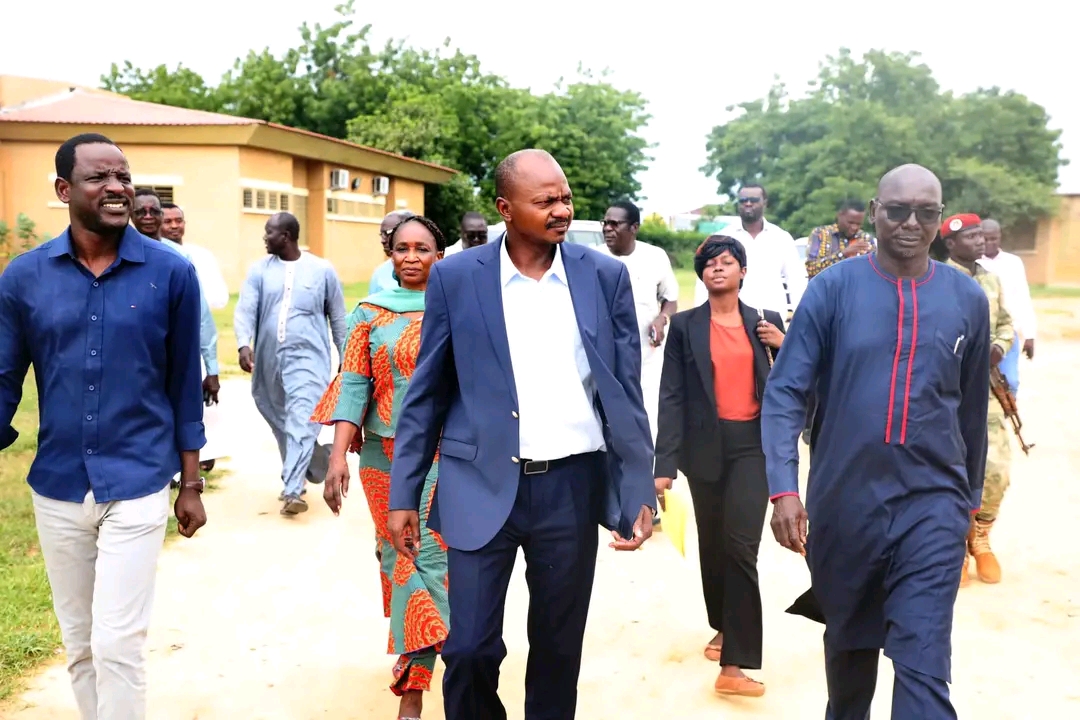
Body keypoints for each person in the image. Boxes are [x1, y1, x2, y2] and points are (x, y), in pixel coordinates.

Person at [387, 149, 656, 720]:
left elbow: (625, 395)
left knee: (559, 648)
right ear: (506, 209)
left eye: (565, 197)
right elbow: (427, 393)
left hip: (571, 489)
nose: (562, 209)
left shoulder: (604, 276)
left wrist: (637, 490)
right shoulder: (458, 278)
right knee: (469, 649)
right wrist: (404, 495)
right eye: (546, 201)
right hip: (478, 486)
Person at [762, 164, 991, 719]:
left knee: (923, 663)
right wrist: (782, 489)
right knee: (850, 662)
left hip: (932, 504)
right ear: (874, 212)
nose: (911, 223)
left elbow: (972, 414)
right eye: (897, 210)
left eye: (926, 212)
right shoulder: (833, 290)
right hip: (846, 505)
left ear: (940, 218)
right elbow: (785, 392)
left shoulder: (966, 299)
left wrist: (970, 504)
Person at [0, 133, 207, 720]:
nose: (117, 186)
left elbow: (182, 385)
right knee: (80, 643)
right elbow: (4, 376)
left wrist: (189, 483)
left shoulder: (169, 273)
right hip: (58, 484)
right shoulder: (24, 278)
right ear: (65, 190)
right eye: (99, 177)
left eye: (123, 175)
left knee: (118, 642)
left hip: (138, 478)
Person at [312, 215, 449, 720]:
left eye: (423, 248)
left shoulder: (454, 309)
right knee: (394, 553)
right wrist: (335, 457)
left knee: (426, 554)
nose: (411, 257)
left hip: (440, 452)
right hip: (381, 457)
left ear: (439, 255)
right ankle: (433, 645)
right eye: (402, 248)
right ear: (389, 254)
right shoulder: (369, 313)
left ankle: (413, 686)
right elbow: (354, 384)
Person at [654, 235, 784, 698]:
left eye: (727, 262)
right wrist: (663, 464)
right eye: (709, 264)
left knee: (740, 545)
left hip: (753, 448)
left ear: (742, 272)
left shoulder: (766, 322)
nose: (717, 269)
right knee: (713, 544)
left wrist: (782, 344)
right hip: (704, 450)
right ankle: (724, 625)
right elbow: (671, 395)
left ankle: (735, 664)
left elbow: (795, 384)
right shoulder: (686, 326)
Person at [234, 212, 347, 514]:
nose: (264, 238)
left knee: (302, 415)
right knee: (277, 414)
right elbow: (245, 309)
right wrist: (244, 343)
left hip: (309, 358)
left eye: (268, 232)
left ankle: (293, 489)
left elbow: (337, 318)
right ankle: (309, 456)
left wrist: (346, 356)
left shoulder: (322, 270)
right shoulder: (259, 271)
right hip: (269, 359)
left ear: (285, 236)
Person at [941, 214, 1014, 586]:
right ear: (951, 244)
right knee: (950, 467)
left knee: (997, 467)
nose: (979, 240)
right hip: (946, 389)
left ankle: (981, 539)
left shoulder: (992, 279)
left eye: (980, 235)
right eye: (970, 236)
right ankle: (956, 547)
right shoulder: (938, 280)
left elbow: (1005, 323)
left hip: (986, 387)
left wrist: (999, 348)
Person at [596, 199, 679, 443]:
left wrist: (662, 319)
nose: (607, 229)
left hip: (647, 356)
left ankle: (647, 474)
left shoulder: (655, 257)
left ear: (634, 228)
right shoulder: (593, 259)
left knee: (648, 418)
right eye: (605, 223)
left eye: (615, 224)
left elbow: (670, 299)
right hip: (605, 356)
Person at [131, 189, 220, 412]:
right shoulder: (115, 253)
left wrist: (212, 369)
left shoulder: (180, 258)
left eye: (154, 211)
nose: (148, 216)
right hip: (131, 359)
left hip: (173, 358)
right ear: (131, 215)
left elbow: (200, 315)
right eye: (141, 211)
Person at [693, 184, 806, 314]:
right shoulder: (722, 238)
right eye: (743, 200)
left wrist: (801, 317)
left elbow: (796, 281)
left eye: (754, 200)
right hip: (732, 319)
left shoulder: (781, 238)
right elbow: (704, 280)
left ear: (765, 203)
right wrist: (700, 317)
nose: (748, 203)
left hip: (772, 318)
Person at [978, 218, 1036, 394]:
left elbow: (1023, 298)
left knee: (1010, 382)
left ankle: (1006, 419)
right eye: (985, 238)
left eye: (993, 238)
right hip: (980, 334)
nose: (989, 243)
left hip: (1007, 332)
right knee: (981, 385)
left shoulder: (1013, 263)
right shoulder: (974, 263)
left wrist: (1029, 335)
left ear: (1000, 237)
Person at [161, 201, 230, 310]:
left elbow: (220, 297)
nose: (174, 226)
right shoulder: (155, 256)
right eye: (167, 221)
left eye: (179, 221)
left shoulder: (202, 255)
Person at [805, 198, 876, 279]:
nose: (854, 227)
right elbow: (811, 269)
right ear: (839, 215)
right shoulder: (820, 234)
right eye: (850, 222)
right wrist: (843, 254)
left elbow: (875, 270)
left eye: (858, 224)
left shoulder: (866, 238)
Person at [369, 210, 416, 295]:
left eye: (387, 233)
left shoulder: (433, 271)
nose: (382, 240)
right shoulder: (380, 274)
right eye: (381, 234)